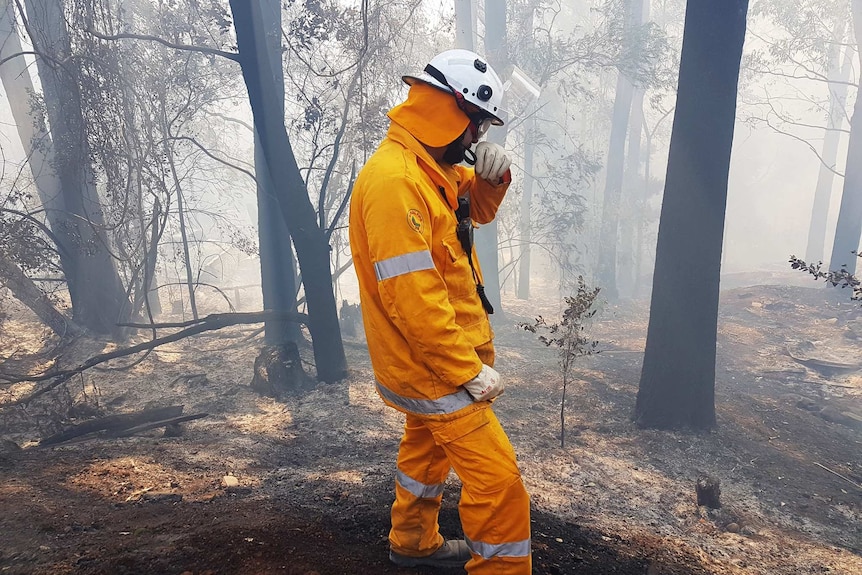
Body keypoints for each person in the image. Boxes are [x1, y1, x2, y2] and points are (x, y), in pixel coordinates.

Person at [349, 49, 532, 574]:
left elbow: (463, 218)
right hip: (434, 368)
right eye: (476, 125)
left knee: (426, 455)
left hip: (438, 361)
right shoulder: (395, 183)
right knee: (498, 486)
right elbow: (415, 303)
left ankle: (411, 543)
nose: (477, 138)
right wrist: (467, 372)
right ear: (451, 110)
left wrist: (491, 180)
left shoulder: (429, 168)